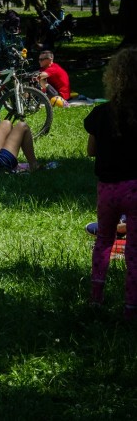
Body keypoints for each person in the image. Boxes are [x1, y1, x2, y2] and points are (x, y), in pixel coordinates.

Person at [84, 47, 137, 316]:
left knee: (104, 240)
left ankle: (96, 298)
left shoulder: (102, 114)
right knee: (134, 250)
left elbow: (91, 150)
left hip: (108, 188)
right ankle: (131, 306)